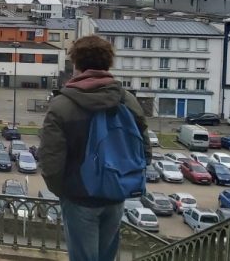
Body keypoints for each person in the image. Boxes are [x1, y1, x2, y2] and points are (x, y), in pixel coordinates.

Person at [39, 35, 151, 261]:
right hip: (115, 193)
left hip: (79, 196)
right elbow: (145, 151)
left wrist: (64, 191)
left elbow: (51, 160)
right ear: (108, 63)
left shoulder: (62, 105)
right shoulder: (127, 100)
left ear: (76, 64)